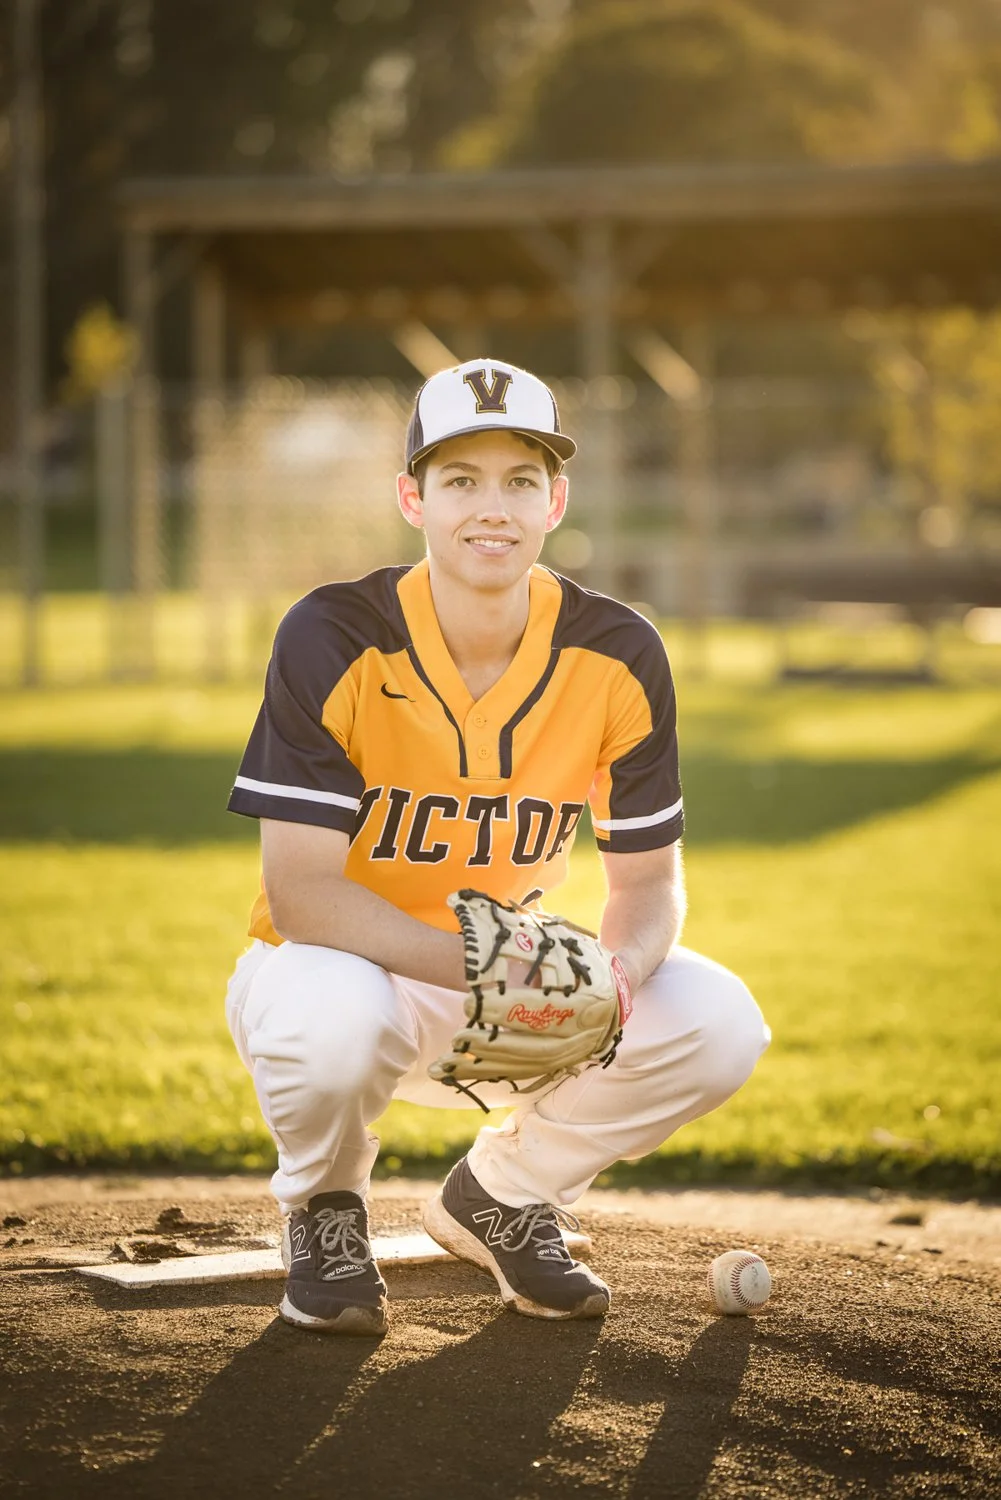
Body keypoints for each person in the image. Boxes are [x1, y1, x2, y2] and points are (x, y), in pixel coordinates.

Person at [224, 357, 770, 1337]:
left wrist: (615, 976)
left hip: (495, 980)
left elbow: (646, 884)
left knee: (717, 1022)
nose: (493, 507)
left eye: (520, 480)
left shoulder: (617, 652)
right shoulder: (332, 634)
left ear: (555, 500)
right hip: (333, 965)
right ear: (412, 497)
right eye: (460, 480)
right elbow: (303, 894)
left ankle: (503, 1198)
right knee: (329, 1026)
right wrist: (497, 971)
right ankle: (323, 1211)